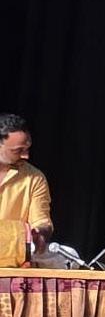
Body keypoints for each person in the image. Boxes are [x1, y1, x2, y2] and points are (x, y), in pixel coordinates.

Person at [0, 114, 53, 268]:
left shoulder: (35, 178)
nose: (26, 156)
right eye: (18, 150)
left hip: (14, 267)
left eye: (27, 149)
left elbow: (42, 222)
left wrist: (40, 235)